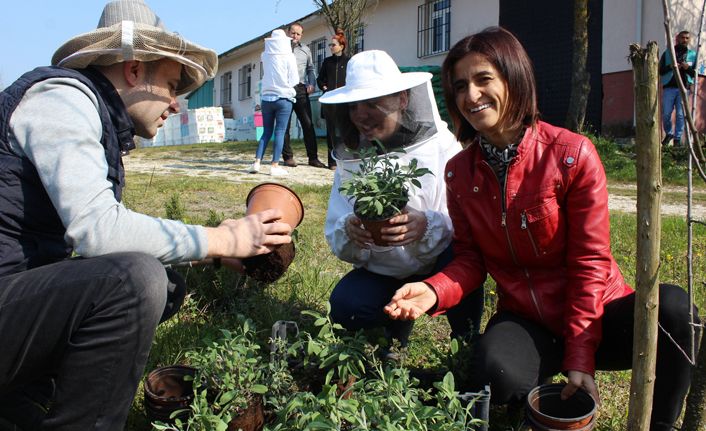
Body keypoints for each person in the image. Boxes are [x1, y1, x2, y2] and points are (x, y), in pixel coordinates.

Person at [383, 27, 699, 431]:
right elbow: (470, 259)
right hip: (528, 319)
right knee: (494, 373)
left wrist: (581, 356)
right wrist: (433, 290)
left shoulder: (571, 155)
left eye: (484, 80)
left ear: (514, 79)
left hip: (597, 315)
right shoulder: (459, 172)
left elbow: (588, 262)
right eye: (460, 86)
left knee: (674, 312)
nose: (471, 95)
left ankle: (663, 426)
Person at [0, 1, 292, 429]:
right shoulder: (61, 100)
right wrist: (224, 238)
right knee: (134, 281)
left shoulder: (94, 116)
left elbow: (109, 227)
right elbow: (100, 231)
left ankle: (19, 398)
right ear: (135, 70)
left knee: (164, 284)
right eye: (172, 85)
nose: (176, 104)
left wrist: (211, 252)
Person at [320, 50, 484, 358]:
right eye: (355, 106)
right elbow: (336, 223)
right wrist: (350, 231)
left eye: (373, 103)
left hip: (440, 263)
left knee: (466, 263)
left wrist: (427, 223)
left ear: (403, 100)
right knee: (345, 306)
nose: (361, 114)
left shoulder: (440, 148)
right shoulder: (352, 160)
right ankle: (391, 336)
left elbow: (466, 221)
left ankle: (467, 346)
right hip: (383, 271)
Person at [248, 29, 299, 176]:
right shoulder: (289, 56)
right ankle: (274, 165)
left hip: (266, 98)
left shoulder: (265, 55)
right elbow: (294, 79)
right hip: (284, 98)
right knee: (280, 132)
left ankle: (256, 162)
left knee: (266, 132)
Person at [281, 22, 327, 169]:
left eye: (298, 34)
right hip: (284, 89)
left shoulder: (306, 50)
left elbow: (310, 69)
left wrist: (311, 83)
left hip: (300, 89)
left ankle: (313, 158)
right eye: (293, 33)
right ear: (288, 33)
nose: (295, 36)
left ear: (301, 35)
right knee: (285, 126)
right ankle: (288, 157)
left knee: (308, 124)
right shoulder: (279, 49)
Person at [316, 29, 350, 170]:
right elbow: (320, 79)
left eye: (333, 44)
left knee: (345, 131)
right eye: (330, 45)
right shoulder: (327, 62)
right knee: (331, 133)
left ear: (341, 46)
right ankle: (332, 161)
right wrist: (324, 87)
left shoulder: (349, 62)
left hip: (344, 102)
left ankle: (346, 159)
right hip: (330, 102)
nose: (331, 47)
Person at [659, 30, 696, 147]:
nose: (684, 40)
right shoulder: (668, 53)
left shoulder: (693, 55)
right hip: (669, 88)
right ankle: (669, 133)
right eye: (682, 38)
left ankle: (677, 139)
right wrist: (671, 67)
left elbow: (695, 73)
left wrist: (686, 68)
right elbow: (660, 70)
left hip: (684, 89)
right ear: (677, 38)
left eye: (687, 38)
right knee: (666, 113)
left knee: (681, 115)